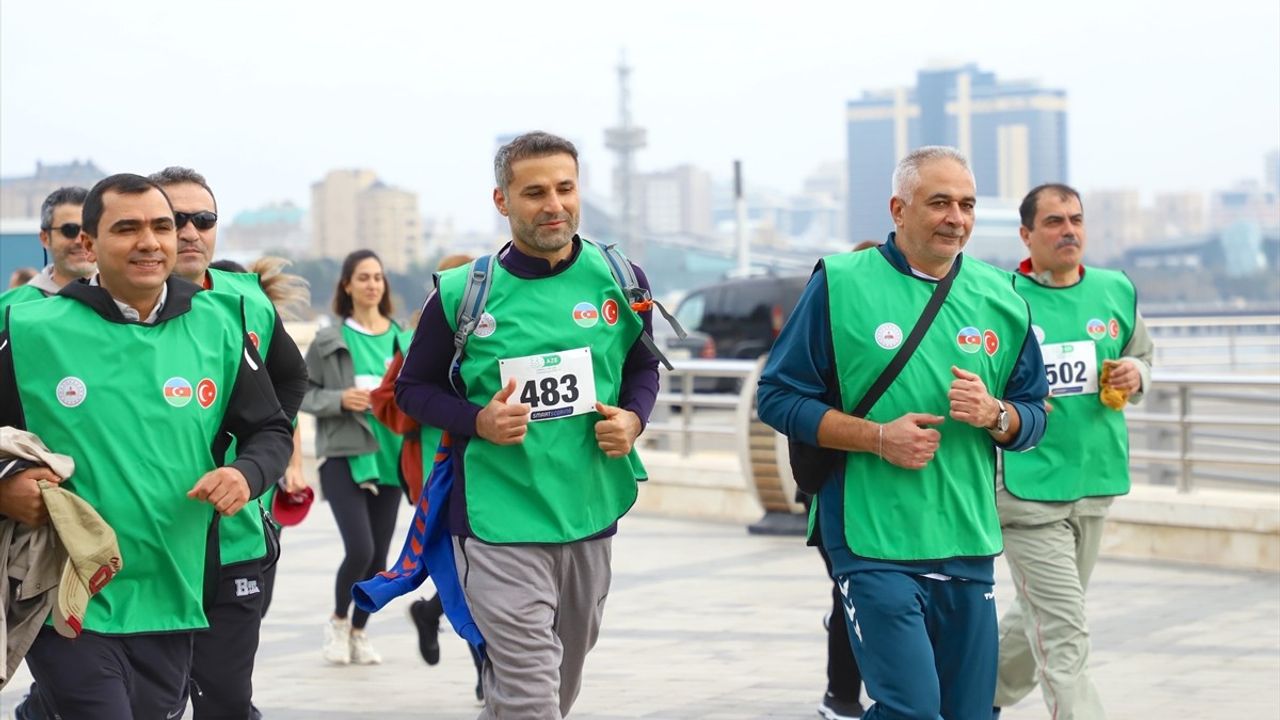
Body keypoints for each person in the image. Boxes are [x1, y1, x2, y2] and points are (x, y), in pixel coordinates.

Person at [757, 146, 1049, 719]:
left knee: (969, 714)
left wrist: (996, 415)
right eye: (939, 203)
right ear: (898, 208)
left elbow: (1034, 415)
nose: (956, 218)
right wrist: (877, 438)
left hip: (966, 537)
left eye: (966, 204)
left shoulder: (1003, 297)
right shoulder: (840, 283)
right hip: (871, 538)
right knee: (911, 710)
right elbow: (778, 396)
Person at [0, 173, 293, 719]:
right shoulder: (30, 328)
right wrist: (3, 488)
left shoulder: (221, 324)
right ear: (87, 245)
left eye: (162, 226)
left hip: (174, 590)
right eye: (127, 228)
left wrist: (246, 475)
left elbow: (270, 429)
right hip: (66, 594)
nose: (151, 241)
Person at [395, 131, 660, 719]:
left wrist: (634, 419)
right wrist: (477, 420)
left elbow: (643, 365)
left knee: (558, 683)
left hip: (587, 509)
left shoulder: (620, 276)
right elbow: (412, 389)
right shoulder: (465, 292)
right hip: (497, 517)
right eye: (534, 192)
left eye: (565, 188)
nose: (554, 205)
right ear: (502, 201)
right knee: (529, 688)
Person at [150, 167, 309, 720]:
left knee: (223, 695)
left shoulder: (246, 301)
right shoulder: (89, 318)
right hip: (142, 547)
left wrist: (260, 455)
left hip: (237, 536)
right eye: (176, 219)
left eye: (204, 219)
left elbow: (291, 378)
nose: (191, 231)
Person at [993, 184, 1154, 720]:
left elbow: (1140, 353)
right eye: (1055, 222)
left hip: (1094, 480)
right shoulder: (1003, 297)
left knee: (1037, 616)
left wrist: (1138, 374)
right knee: (1066, 630)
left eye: (1076, 220)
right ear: (1027, 235)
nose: (1069, 231)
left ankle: (969, 699)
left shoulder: (1115, 290)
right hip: (1027, 485)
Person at [302, 249, 411, 666]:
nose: (371, 284)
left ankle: (360, 632)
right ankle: (337, 621)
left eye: (378, 277)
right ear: (346, 285)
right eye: (362, 277)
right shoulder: (331, 340)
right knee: (360, 548)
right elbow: (301, 392)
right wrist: (338, 399)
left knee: (381, 557)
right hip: (345, 456)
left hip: (391, 459)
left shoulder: (402, 339)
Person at [0, 187, 93, 313]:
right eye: (70, 229)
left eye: (90, 229)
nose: (81, 240)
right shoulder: (7, 310)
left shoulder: (125, 301)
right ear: (45, 238)